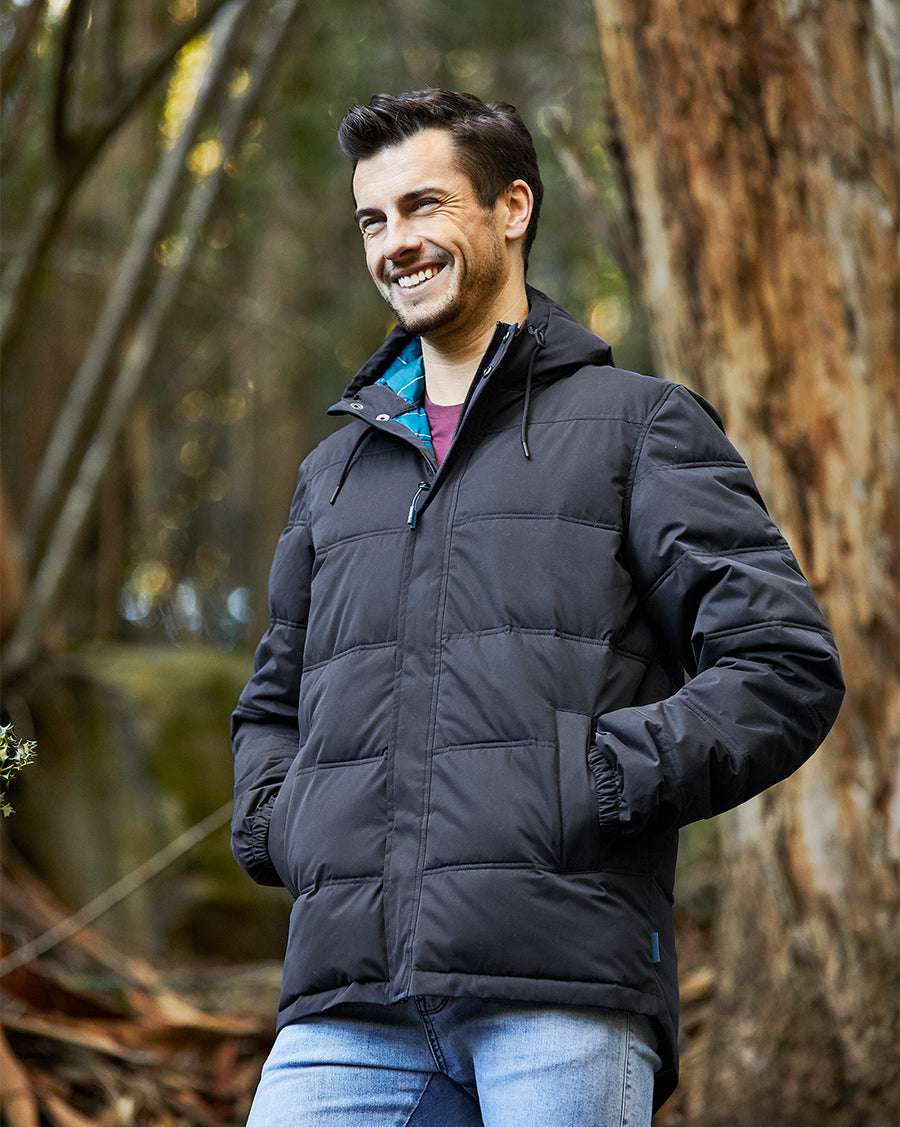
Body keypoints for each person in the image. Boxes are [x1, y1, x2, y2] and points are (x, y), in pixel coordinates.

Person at [231, 89, 844, 1126]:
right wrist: (286, 822)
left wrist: (592, 776)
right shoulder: (334, 472)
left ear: (512, 208)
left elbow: (781, 665)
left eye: (424, 205)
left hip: (563, 987)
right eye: (373, 219)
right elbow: (270, 705)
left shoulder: (637, 427)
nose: (394, 242)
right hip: (347, 1000)